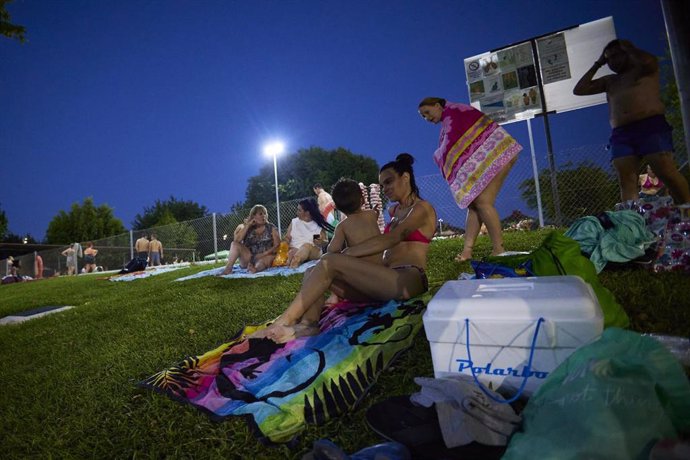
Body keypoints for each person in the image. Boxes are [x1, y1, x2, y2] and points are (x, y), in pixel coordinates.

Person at [255, 153, 437, 343]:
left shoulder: (422, 209)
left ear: (405, 177)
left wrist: (347, 253)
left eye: (388, 182)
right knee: (312, 271)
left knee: (329, 261)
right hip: (383, 281)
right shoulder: (395, 211)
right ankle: (308, 324)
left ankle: (284, 321)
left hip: (407, 280)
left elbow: (394, 238)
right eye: (382, 185)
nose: (385, 189)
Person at [573, 39, 690, 205]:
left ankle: (686, 211)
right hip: (622, 133)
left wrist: (629, 49)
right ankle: (630, 222)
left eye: (616, 56)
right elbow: (579, 89)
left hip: (650, 126)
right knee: (626, 178)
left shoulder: (644, 70)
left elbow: (650, 61)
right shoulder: (610, 81)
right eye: (609, 58)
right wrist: (598, 63)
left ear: (627, 53)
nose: (613, 61)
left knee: (665, 171)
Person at [418, 97, 522, 262]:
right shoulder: (450, 117)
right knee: (474, 205)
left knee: (482, 202)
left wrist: (437, 155)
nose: (427, 118)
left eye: (427, 113)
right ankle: (467, 252)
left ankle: (499, 249)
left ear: (437, 106)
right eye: (423, 116)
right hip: (496, 155)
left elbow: (451, 143)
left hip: (500, 153)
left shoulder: (455, 113)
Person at [322, 178, 385, 306]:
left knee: (328, 268)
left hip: (362, 281)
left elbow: (332, 251)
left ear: (337, 207)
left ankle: (334, 296)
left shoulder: (342, 226)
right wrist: (376, 213)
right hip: (382, 276)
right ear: (362, 199)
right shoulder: (372, 215)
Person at [221, 205, 281, 275]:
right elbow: (236, 240)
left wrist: (264, 254)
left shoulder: (271, 227)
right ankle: (228, 269)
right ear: (253, 216)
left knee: (264, 260)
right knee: (234, 244)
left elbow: (277, 245)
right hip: (249, 257)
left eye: (265, 214)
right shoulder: (247, 227)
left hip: (266, 256)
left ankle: (255, 269)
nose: (264, 216)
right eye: (261, 214)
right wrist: (248, 225)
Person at [285, 198, 335, 268]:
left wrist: (320, 241)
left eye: (299, 210)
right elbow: (287, 238)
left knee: (305, 247)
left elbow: (325, 242)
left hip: (312, 251)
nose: (296, 212)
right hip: (295, 249)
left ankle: (293, 267)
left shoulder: (317, 225)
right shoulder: (294, 222)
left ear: (307, 213)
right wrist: (286, 242)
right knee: (292, 254)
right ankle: (292, 267)